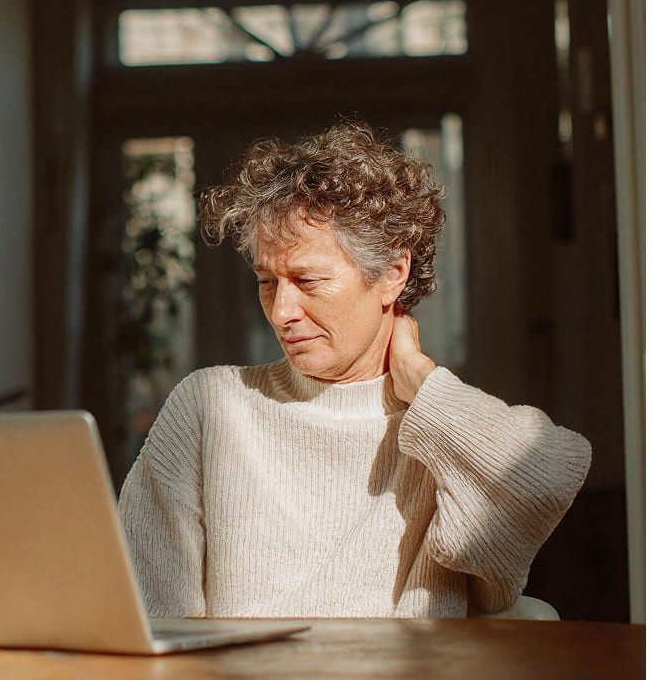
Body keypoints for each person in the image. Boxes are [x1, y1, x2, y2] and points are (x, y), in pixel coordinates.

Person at [116, 119, 592, 618]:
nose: (281, 312)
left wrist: (425, 386)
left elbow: (548, 476)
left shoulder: (440, 427)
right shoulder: (210, 405)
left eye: (308, 280)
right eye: (266, 282)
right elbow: (148, 612)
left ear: (392, 274)